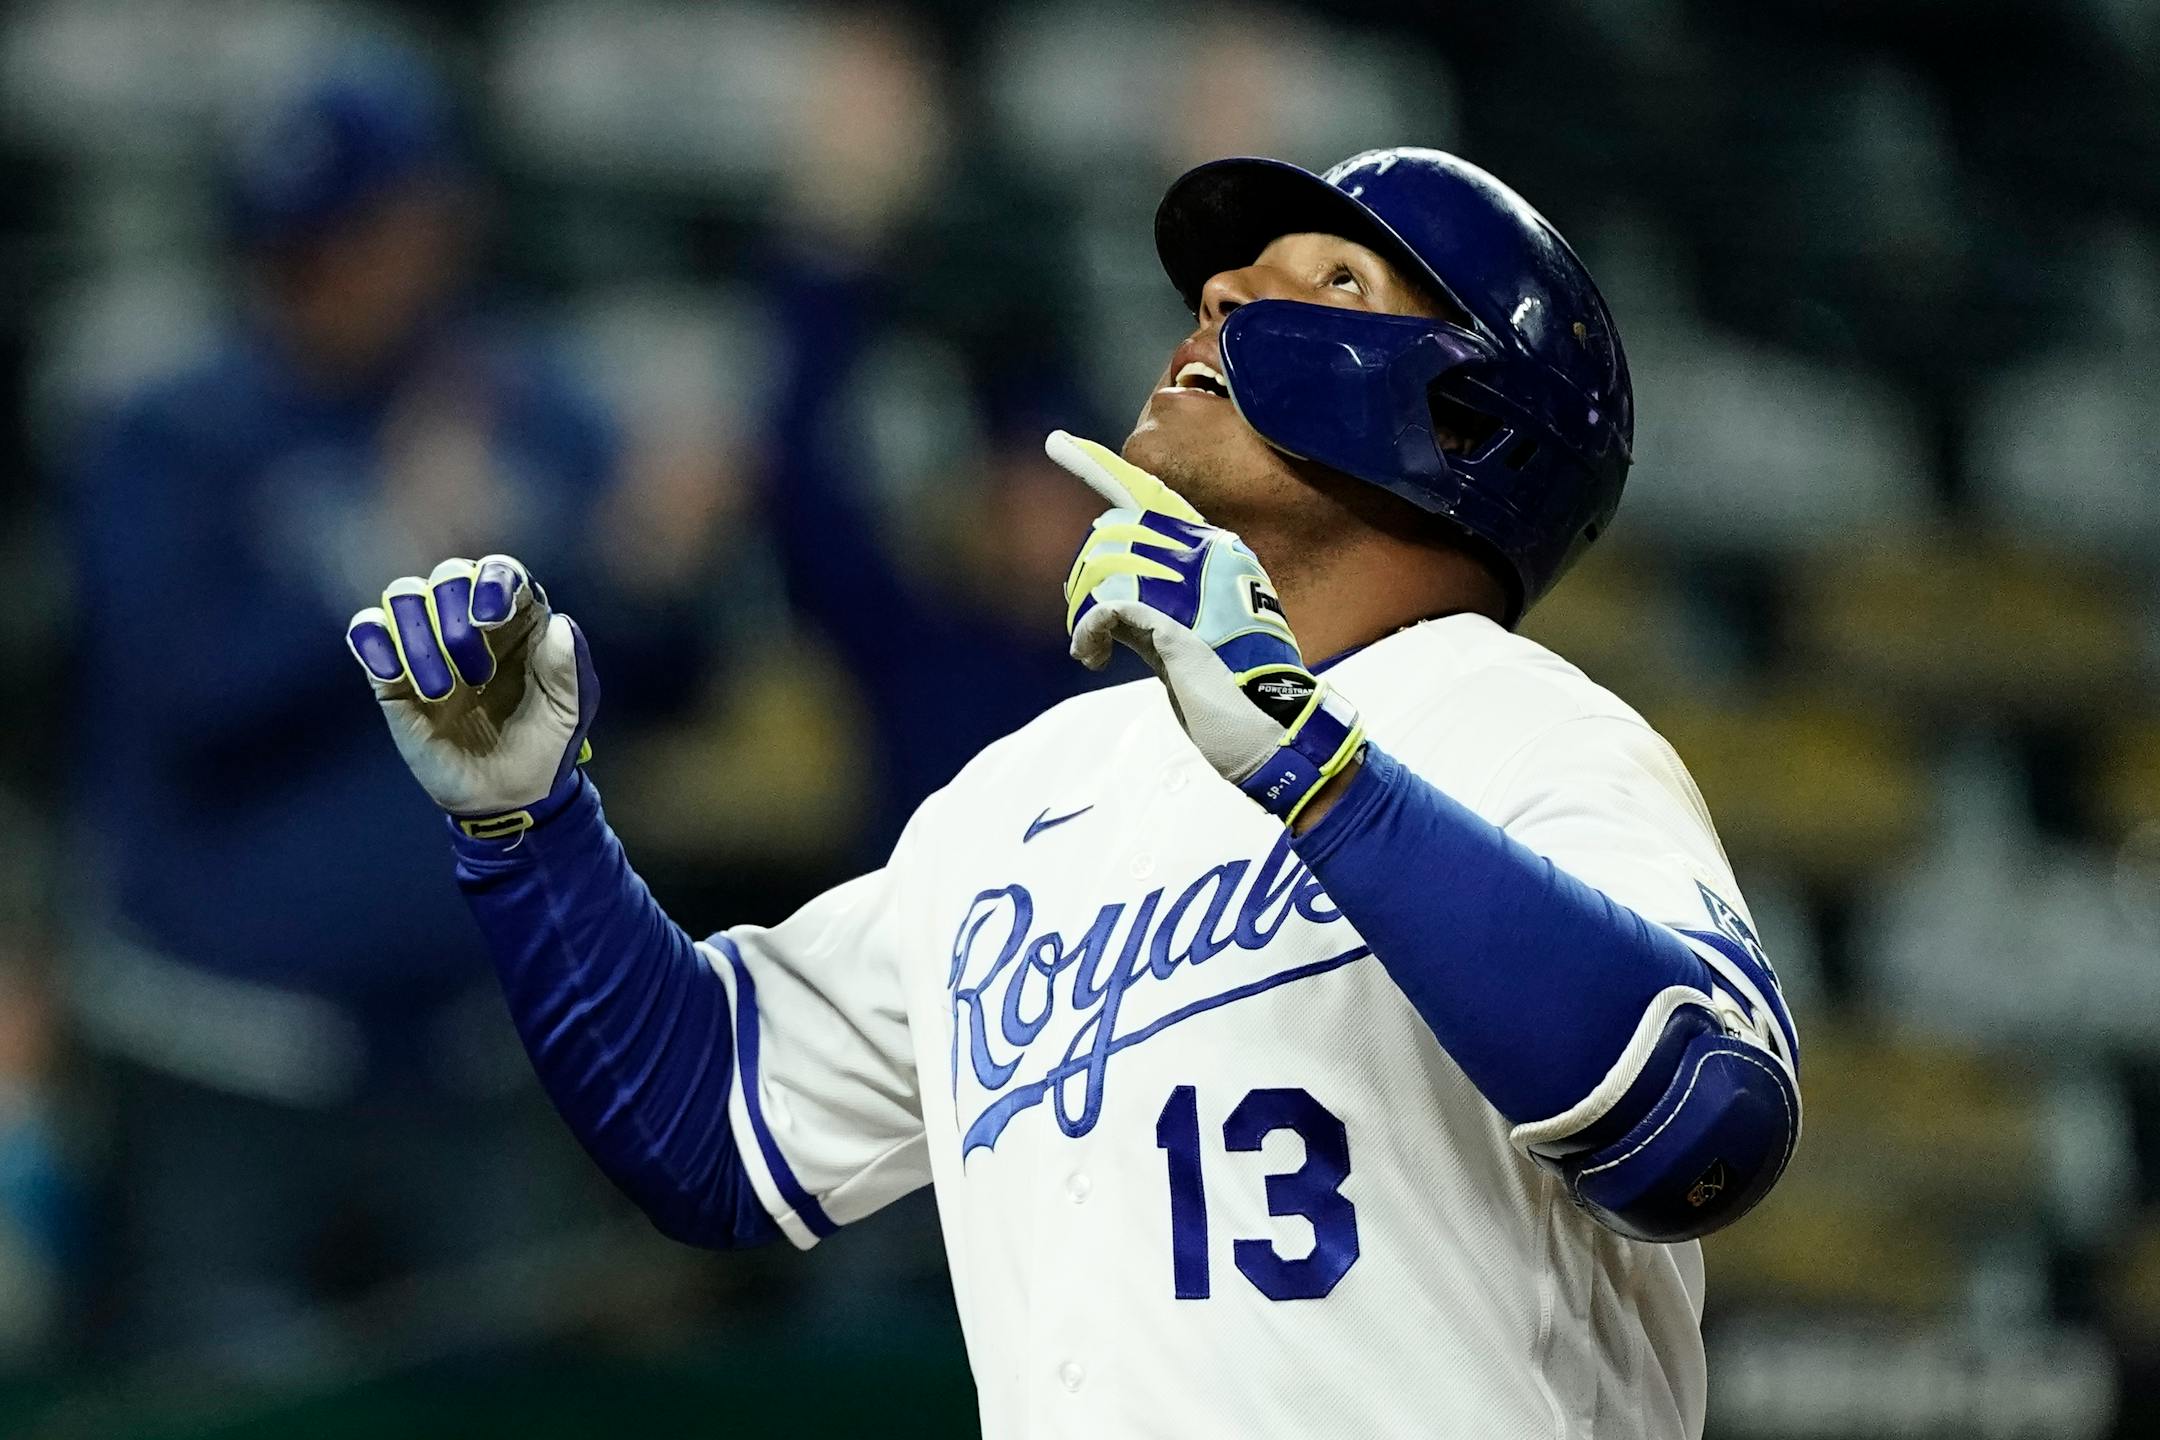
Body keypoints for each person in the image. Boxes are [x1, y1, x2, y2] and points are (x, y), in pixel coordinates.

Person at [346, 149, 1800, 1436]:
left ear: (1467, 425)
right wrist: (528, 828)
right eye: (1231, 274)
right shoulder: (1031, 788)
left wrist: (1311, 762)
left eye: (1330, 280)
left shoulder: (1519, 727)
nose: (1224, 287)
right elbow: (711, 1119)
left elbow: (1703, 1129)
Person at [65, 53, 704, 1370]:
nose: (352, 274)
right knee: (232, 1408)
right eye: (313, 248)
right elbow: (180, 702)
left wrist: (653, 586)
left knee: (495, 1395)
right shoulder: (177, 434)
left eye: (379, 234)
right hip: (226, 1061)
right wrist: (390, 563)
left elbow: (653, 695)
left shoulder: (534, 417)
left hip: (484, 1052)